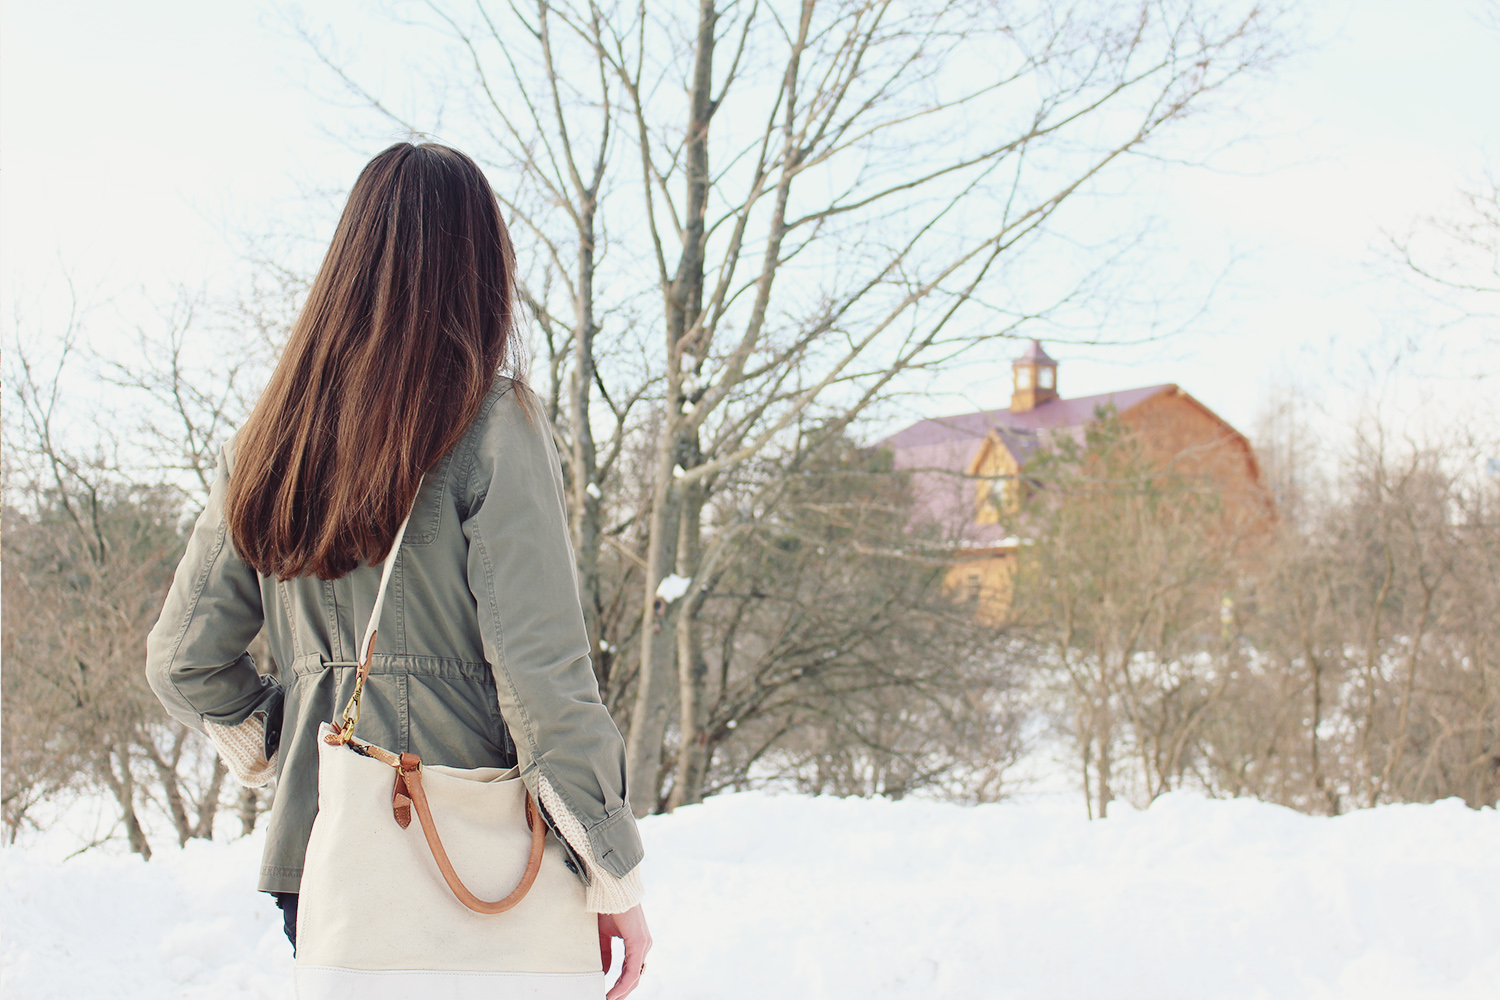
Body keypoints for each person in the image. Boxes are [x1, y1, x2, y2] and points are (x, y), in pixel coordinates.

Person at [144, 141, 650, 999]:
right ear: (479, 267)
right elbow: (543, 678)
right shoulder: (491, 425)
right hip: (478, 866)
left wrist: (297, 732)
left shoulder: (269, 441)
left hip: (329, 864)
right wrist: (612, 871)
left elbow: (182, 660)